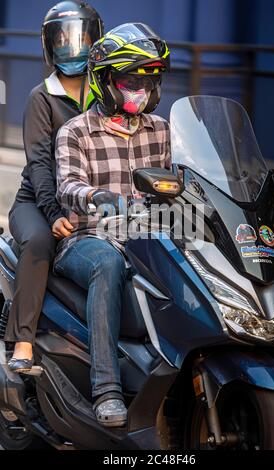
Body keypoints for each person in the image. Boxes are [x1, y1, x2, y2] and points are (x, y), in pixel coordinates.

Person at [54, 23, 171, 426]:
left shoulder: (162, 131)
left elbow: (187, 180)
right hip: (87, 238)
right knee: (108, 263)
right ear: (105, 82)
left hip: (147, 237)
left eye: (148, 79)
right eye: (129, 79)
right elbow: (67, 185)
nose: (140, 88)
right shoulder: (76, 131)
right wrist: (94, 196)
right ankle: (106, 389)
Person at [5, 1, 104, 372]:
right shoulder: (40, 97)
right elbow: (40, 165)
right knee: (40, 242)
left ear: (97, 41)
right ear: (49, 45)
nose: (72, 47)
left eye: (80, 38)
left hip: (91, 201)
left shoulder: (106, 94)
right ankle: (24, 342)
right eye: (61, 40)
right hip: (37, 202)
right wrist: (53, 214)